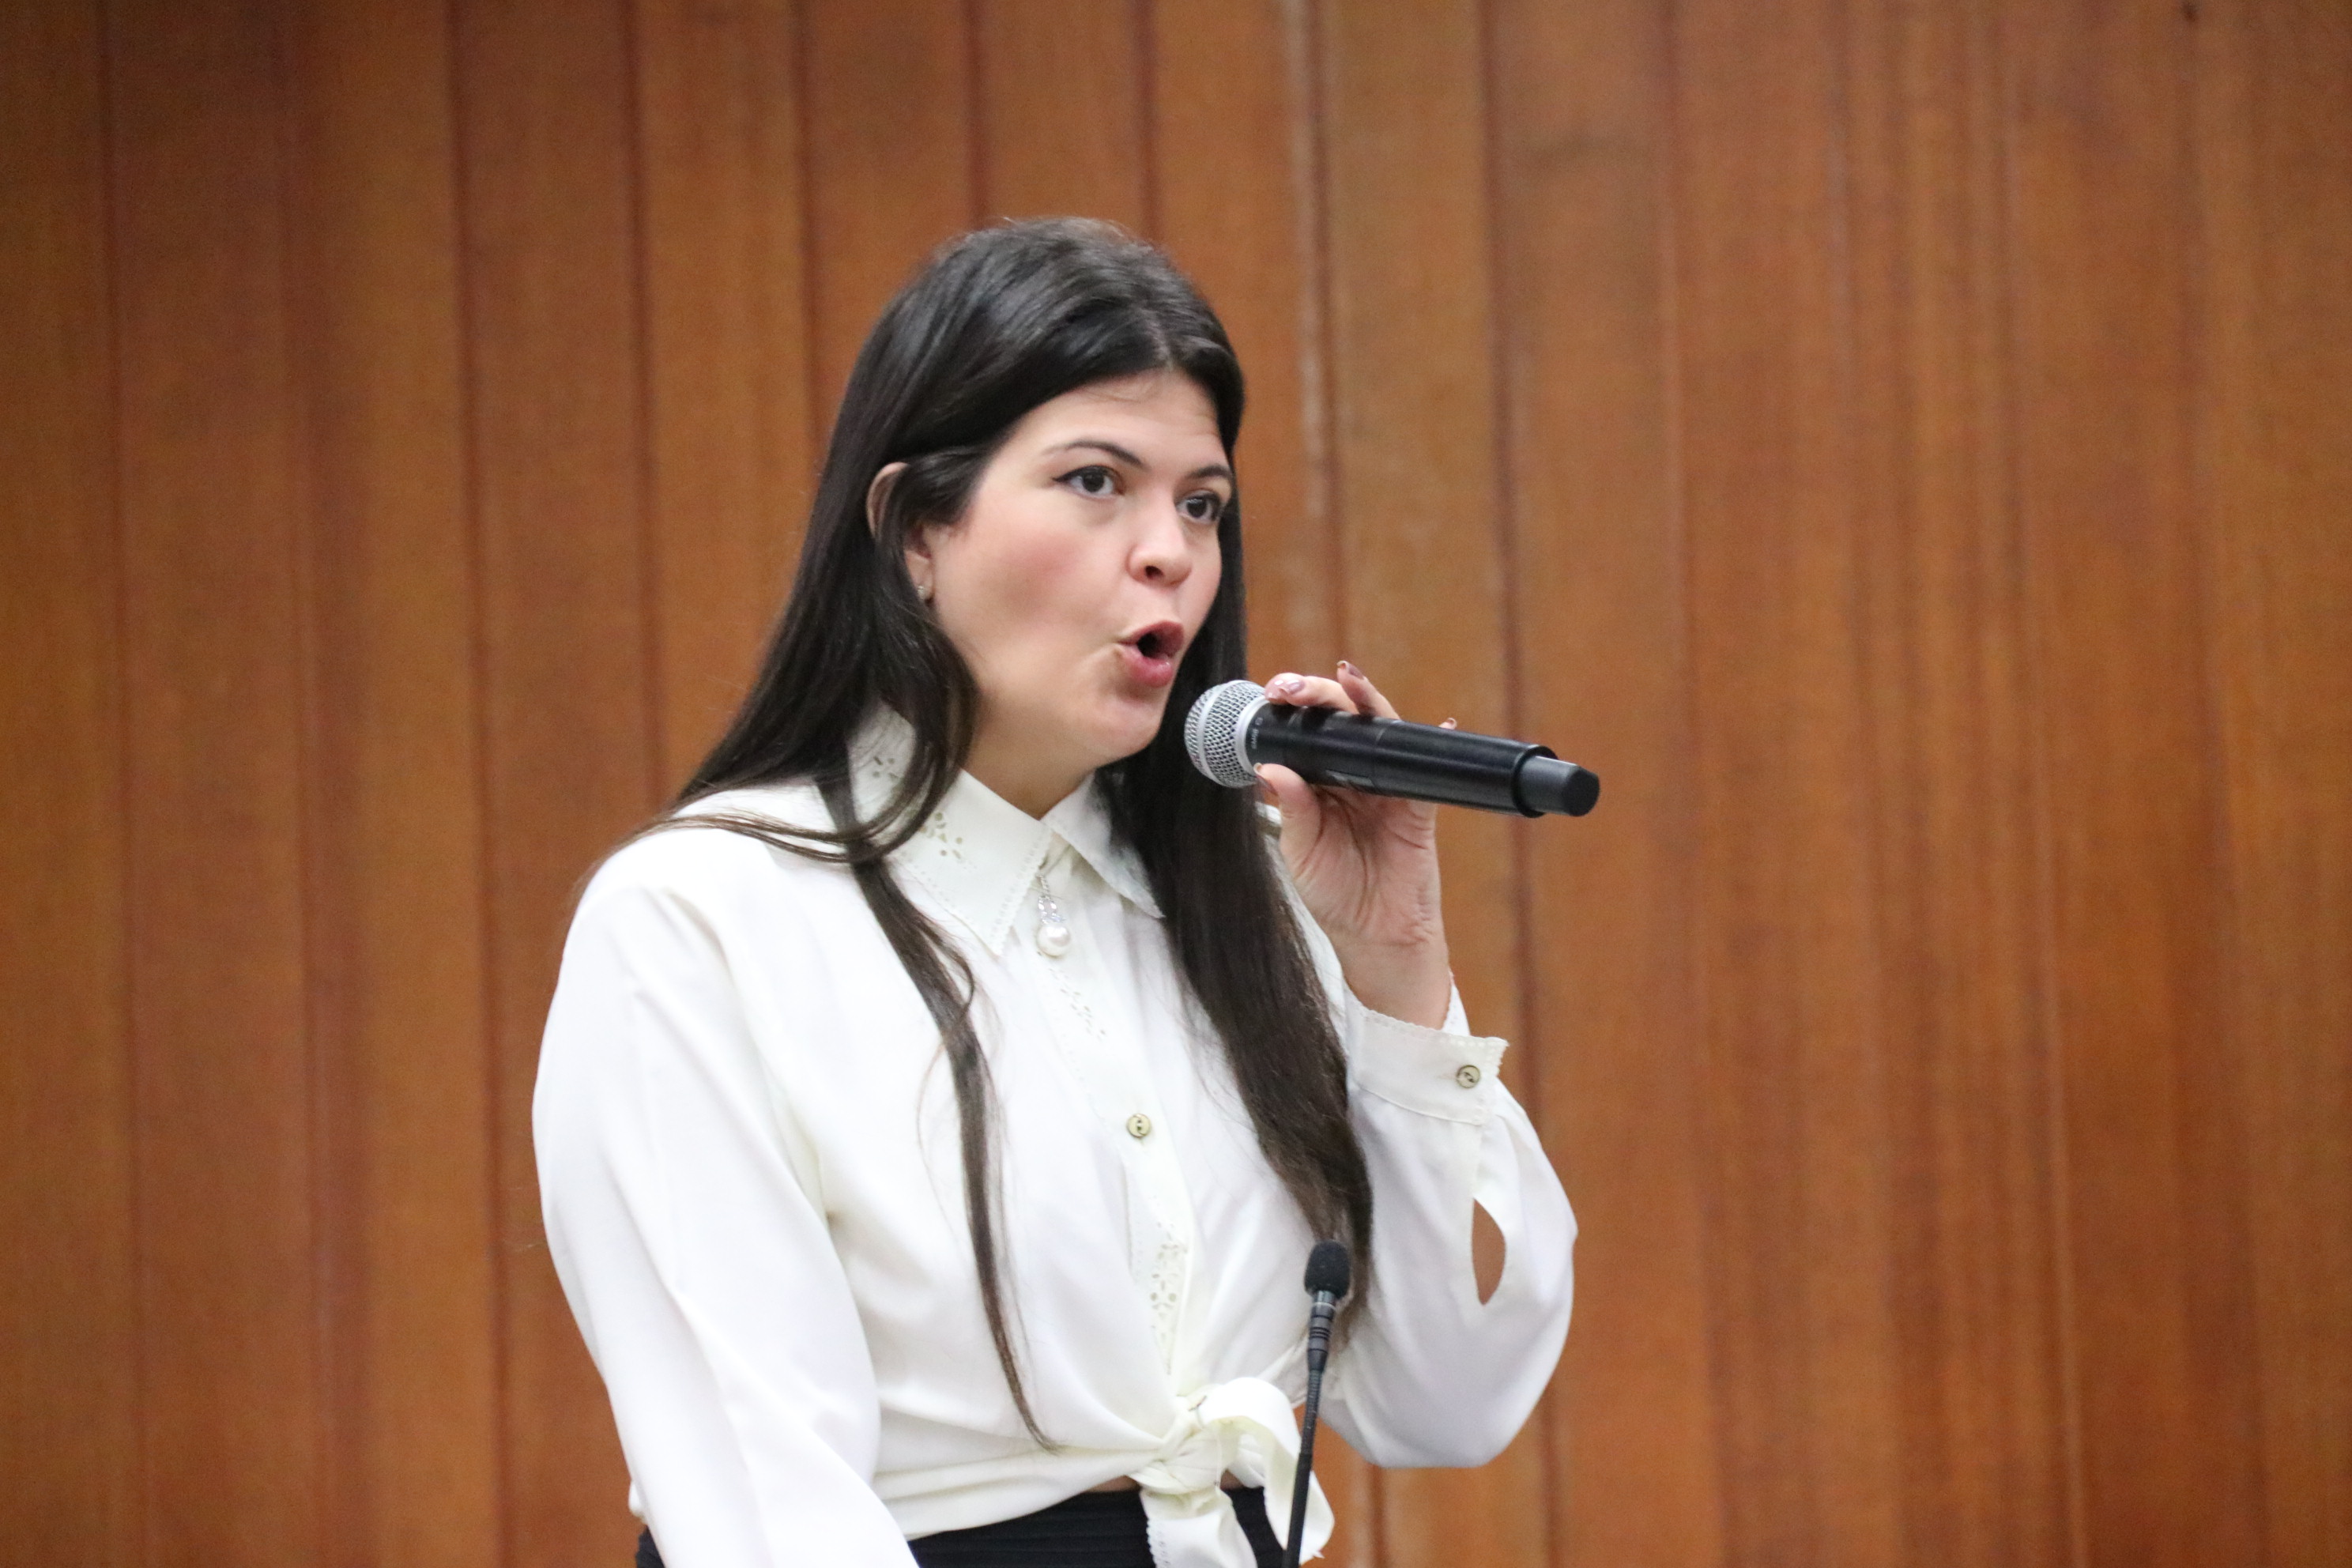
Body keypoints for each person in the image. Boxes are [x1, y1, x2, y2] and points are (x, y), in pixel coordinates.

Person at [534, 219, 1575, 1568]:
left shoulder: (1252, 898)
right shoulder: (701, 918)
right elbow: (765, 1507)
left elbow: (1445, 1404)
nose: (1170, 553)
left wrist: (1395, 966)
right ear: (915, 527)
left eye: (1201, 504)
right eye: (1096, 482)